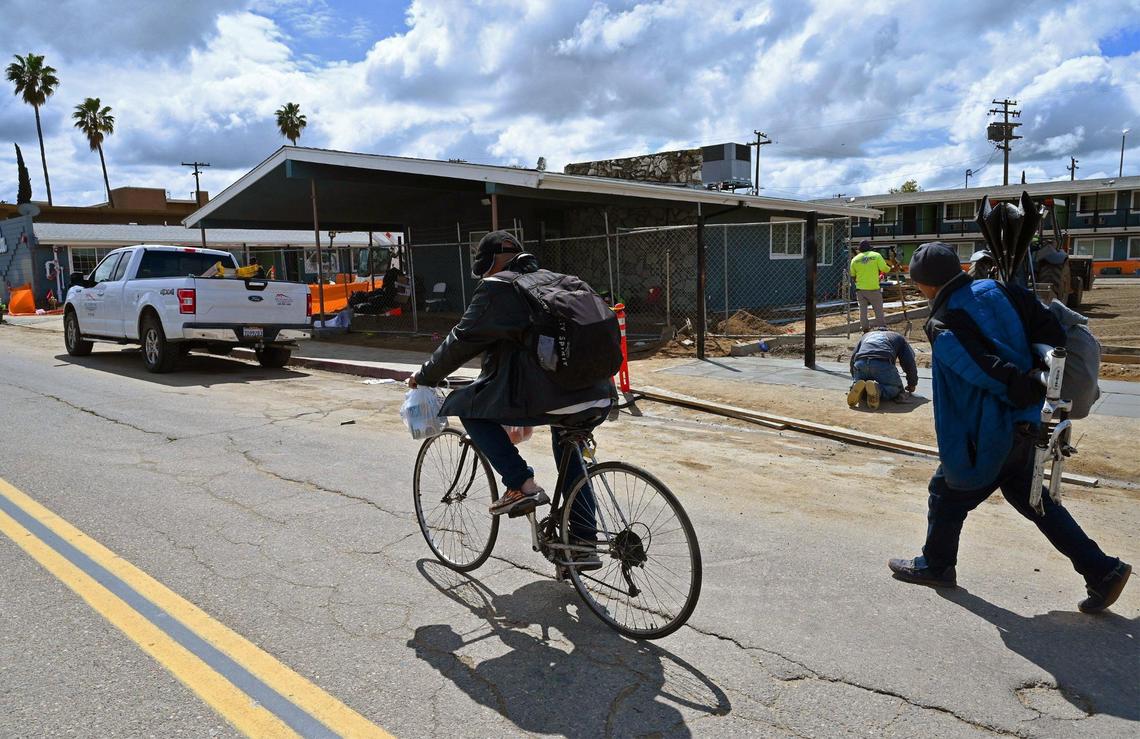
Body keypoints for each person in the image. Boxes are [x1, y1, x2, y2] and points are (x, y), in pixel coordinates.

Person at [888, 242, 1130, 613]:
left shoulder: (945, 322)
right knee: (1034, 500)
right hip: (1028, 421)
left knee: (947, 491)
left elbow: (984, 369)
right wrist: (1039, 378)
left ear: (924, 285)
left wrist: (1024, 384)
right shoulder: (998, 288)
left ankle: (936, 565)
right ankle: (1102, 570)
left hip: (992, 428)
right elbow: (1050, 328)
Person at [407, 231, 613, 567]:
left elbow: (462, 340)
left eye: (485, 269)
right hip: (599, 393)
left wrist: (425, 376)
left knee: (466, 408)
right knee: (567, 441)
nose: (485, 276)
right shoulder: (560, 280)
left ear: (491, 263)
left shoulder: (499, 288)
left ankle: (521, 485)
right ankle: (583, 542)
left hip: (551, 395)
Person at [846, 329, 918, 409]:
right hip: (882, 363)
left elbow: (853, 358)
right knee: (896, 388)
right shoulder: (898, 337)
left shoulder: (866, 336)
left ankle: (857, 387)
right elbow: (908, 362)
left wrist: (855, 378)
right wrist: (912, 383)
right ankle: (879, 390)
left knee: (861, 384)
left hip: (860, 363)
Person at [849, 240, 889, 332]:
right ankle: (881, 327)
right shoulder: (876, 256)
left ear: (860, 249)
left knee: (862, 310)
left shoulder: (855, 259)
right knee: (878, 308)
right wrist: (890, 269)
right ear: (869, 248)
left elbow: (853, 275)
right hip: (873, 288)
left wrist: (859, 282)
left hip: (860, 289)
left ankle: (864, 328)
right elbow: (884, 268)